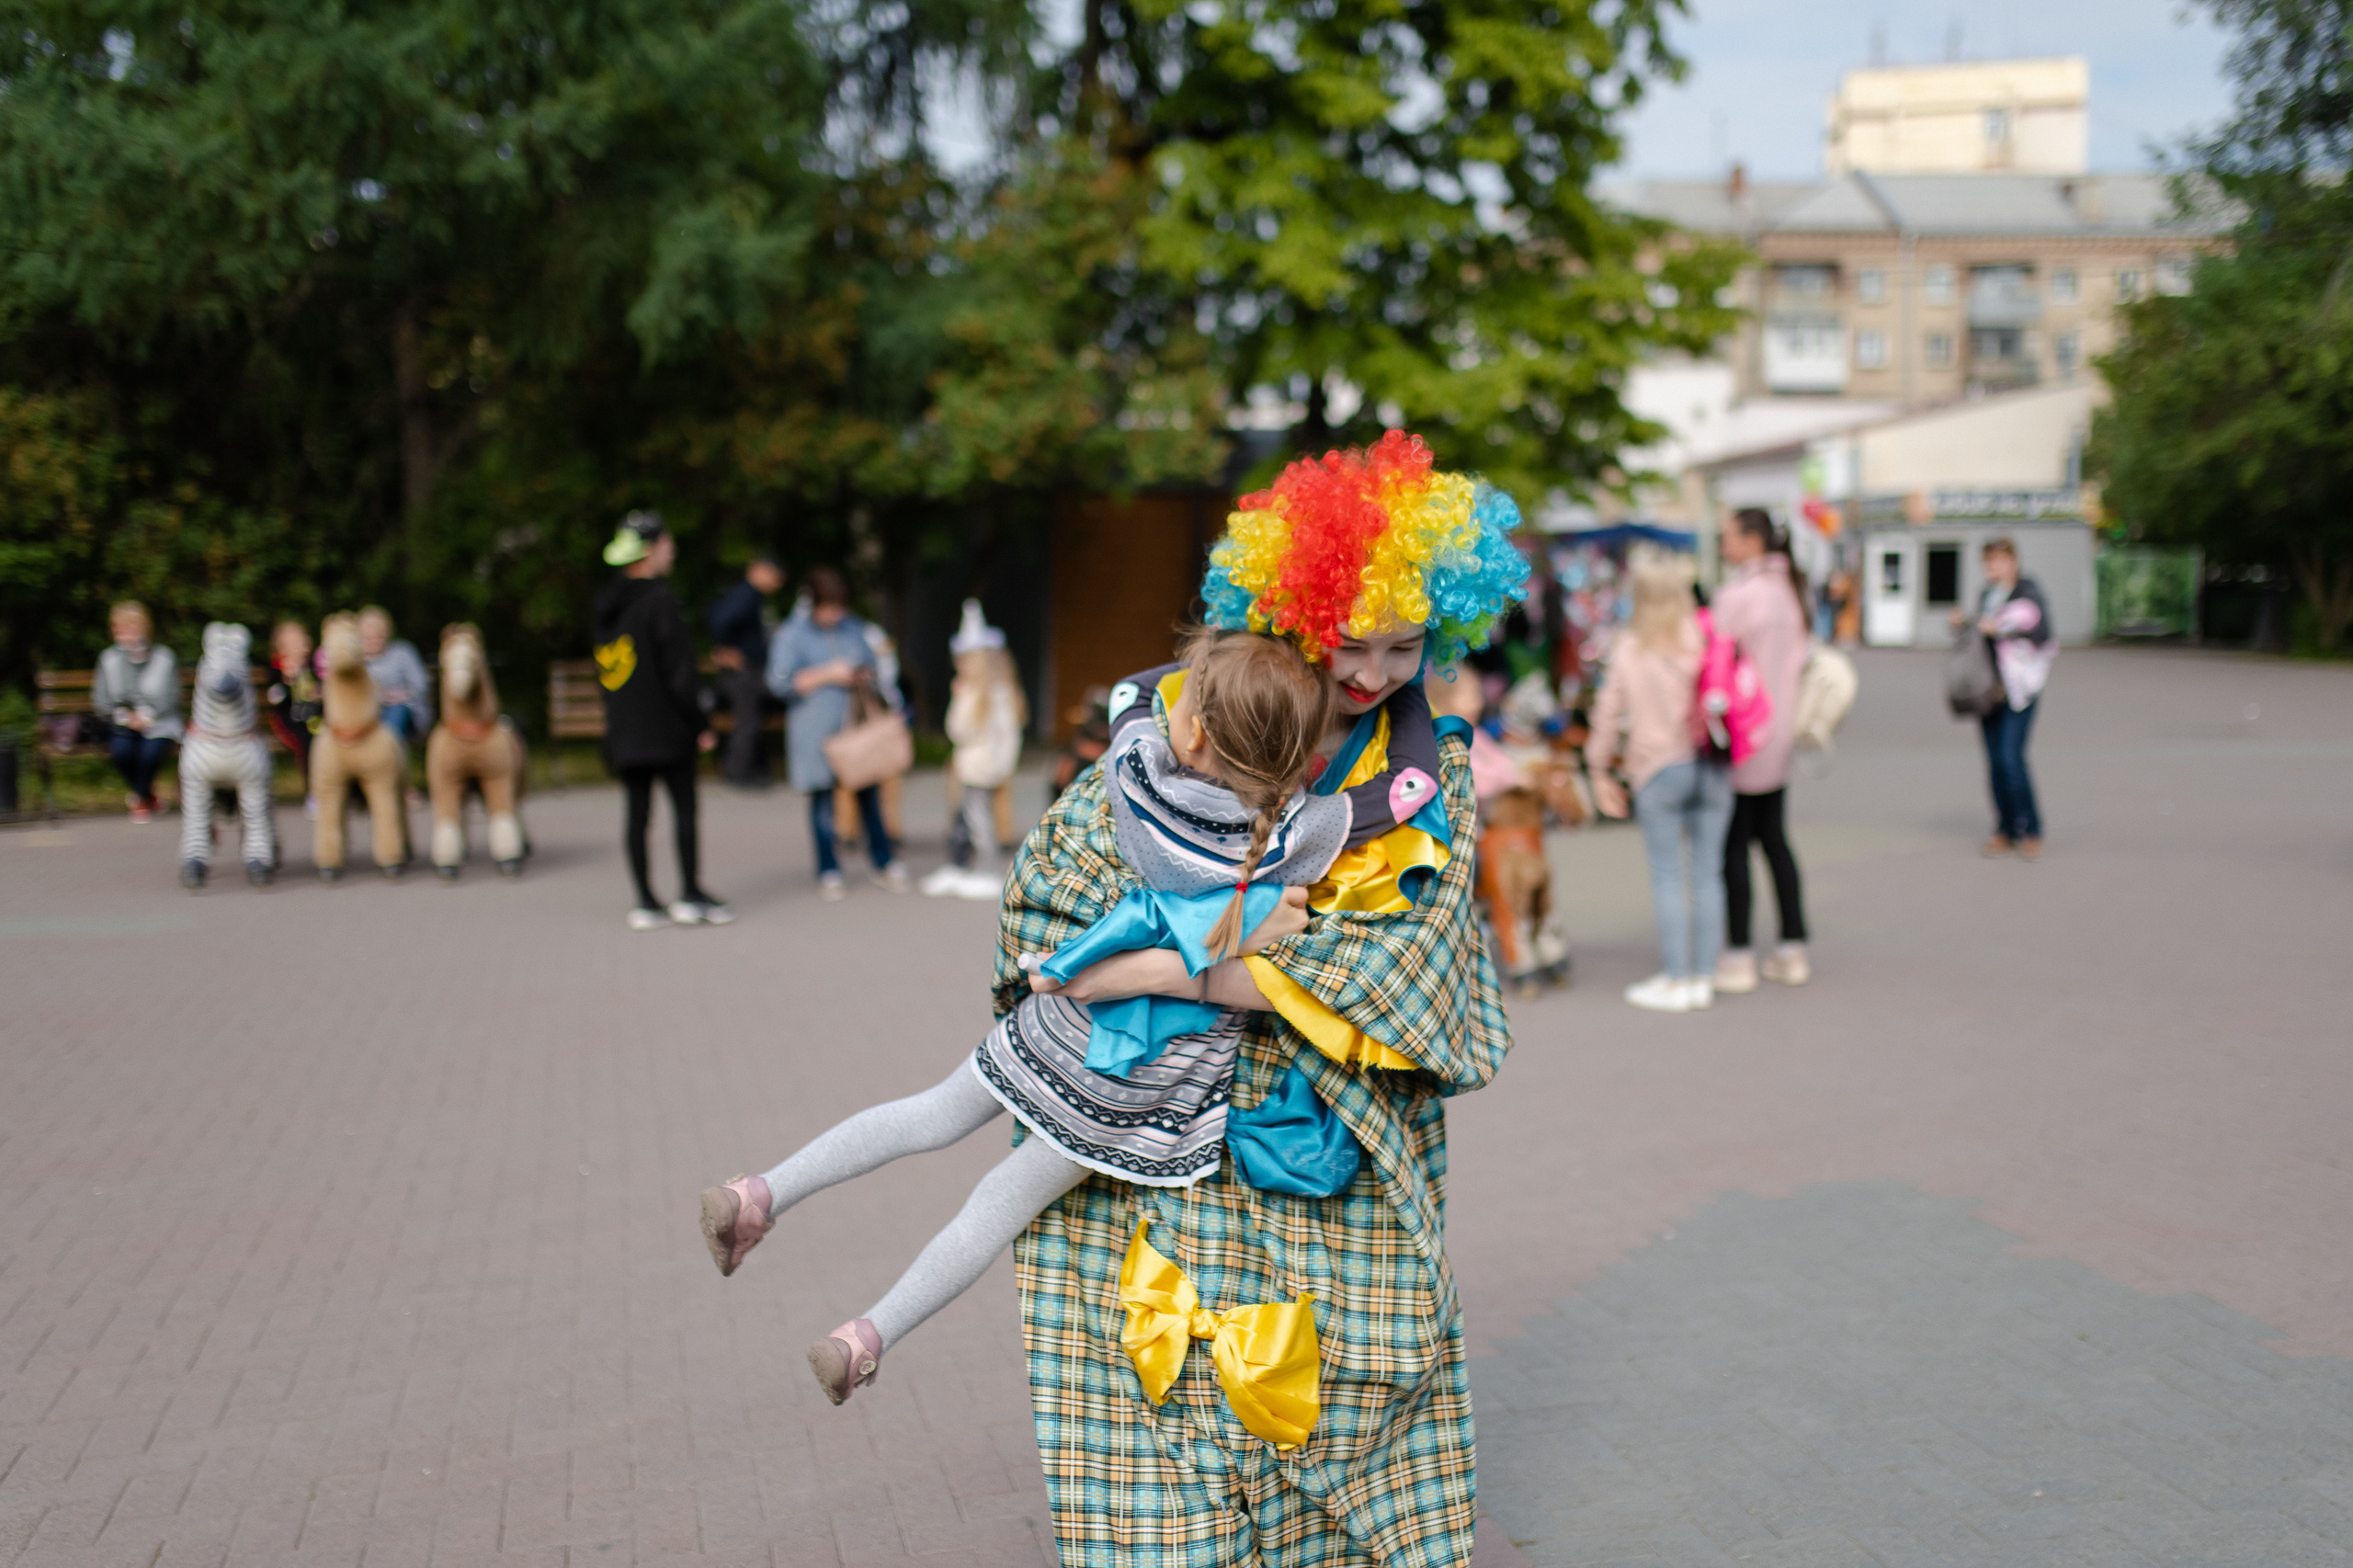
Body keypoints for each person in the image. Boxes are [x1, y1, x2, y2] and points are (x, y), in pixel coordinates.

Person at [999, 431, 1524, 1563]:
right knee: (1168, 1382)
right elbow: (1047, 898)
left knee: (1341, 1387)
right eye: (1351, 644)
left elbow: (1406, 970)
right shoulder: (1174, 718)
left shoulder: (1431, 777)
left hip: (1322, 1138)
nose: (1378, 672)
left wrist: (1139, 966)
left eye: (1406, 644)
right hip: (1157, 1122)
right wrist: (1184, 969)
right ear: (1291, 611)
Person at [703, 631, 1394, 1403]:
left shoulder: (1134, 779)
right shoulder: (1302, 836)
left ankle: (761, 1193)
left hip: (1059, 1026)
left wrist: (1211, 662)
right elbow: (1396, 797)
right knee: (996, 1209)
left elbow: (1135, 695)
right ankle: (865, 1336)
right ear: (1299, 758)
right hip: (1136, 1085)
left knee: (926, 1114)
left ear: (1192, 729)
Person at [1586, 546, 1732, 1012]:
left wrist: (1598, 768)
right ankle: (1705, 977)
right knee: (1709, 874)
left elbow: (1608, 714)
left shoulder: (1631, 647)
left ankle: (1676, 978)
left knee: (1668, 876)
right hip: (1712, 765)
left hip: (1657, 770)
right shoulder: (1706, 636)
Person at [592, 511, 732, 929]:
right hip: (668, 727)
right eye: (668, 545)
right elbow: (679, 673)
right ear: (650, 551)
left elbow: (608, 670)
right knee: (684, 809)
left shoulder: (606, 605)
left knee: (637, 814)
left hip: (626, 727)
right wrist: (701, 723)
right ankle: (690, 893)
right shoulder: (660, 602)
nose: (671, 553)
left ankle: (646, 901)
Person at [1712, 508, 1813, 993]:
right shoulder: (1791, 590)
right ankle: (1793, 946)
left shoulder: (1738, 596)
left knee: (1733, 845)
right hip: (1782, 730)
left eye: (1727, 535)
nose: (1721, 543)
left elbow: (1713, 661)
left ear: (1751, 540)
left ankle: (1738, 953)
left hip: (1742, 734)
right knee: (1774, 840)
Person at [765, 567, 908, 899]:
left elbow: (875, 665)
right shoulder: (792, 634)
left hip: (854, 731)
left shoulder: (852, 628)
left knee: (869, 795)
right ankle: (828, 868)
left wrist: (860, 674)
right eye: (828, 607)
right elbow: (780, 683)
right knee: (822, 803)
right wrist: (830, 673)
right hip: (814, 732)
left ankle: (883, 861)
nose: (835, 613)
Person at [1958, 537, 2054, 859]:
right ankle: (2004, 828)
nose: (1992, 567)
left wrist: (2000, 629)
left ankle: (2032, 829)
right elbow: (1979, 637)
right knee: (1995, 763)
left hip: (2020, 689)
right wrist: (1965, 625)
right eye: (1988, 562)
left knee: (2012, 759)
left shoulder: (2028, 592)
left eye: (1998, 561)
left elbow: (2041, 633)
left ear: (2013, 561)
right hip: (1989, 689)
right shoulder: (1986, 596)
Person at [923, 600, 1027, 900]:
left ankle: (986, 869)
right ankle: (959, 865)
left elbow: (957, 730)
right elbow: (1010, 736)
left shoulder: (972, 693)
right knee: (965, 819)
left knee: (976, 820)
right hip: (989, 765)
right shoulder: (1005, 692)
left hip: (975, 768)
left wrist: (957, 698)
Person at [176, 622, 277, 889]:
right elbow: (222, 684)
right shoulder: (219, 668)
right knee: (245, 808)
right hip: (225, 747)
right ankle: (250, 858)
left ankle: (254, 857)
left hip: (223, 748)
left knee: (247, 807)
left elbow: (224, 685)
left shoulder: (222, 668)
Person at [92, 601, 182, 823]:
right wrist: (126, 717)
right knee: (122, 751)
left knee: (150, 753)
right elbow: (102, 701)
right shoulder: (108, 659)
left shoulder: (164, 657)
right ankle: (147, 795)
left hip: (160, 722)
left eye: (133, 628)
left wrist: (146, 717)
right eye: (121, 629)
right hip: (122, 723)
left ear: (145, 629)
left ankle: (139, 799)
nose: (128, 634)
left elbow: (171, 698)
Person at [708, 558, 783, 788]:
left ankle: (757, 769)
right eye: (774, 575)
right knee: (748, 720)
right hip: (742, 673)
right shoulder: (746, 595)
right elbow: (719, 619)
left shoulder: (751, 596)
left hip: (750, 671)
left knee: (754, 716)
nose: (777, 582)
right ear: (758, 570)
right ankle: (737, 772)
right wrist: (725, 649)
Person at [262, 620, 324, 814]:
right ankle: (313, 793)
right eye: (295, 641)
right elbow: (275, 698)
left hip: (315, 720)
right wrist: (289, 681)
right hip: (288, 722)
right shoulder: (276, 667)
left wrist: (319, 693)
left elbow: (321, 693)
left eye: (302, 639)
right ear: (282, 646)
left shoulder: (313, 666)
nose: (301, 644)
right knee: (307, 742)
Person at [356, 607, 431, 747]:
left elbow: (421, 685)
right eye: (368, 638)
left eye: (378, 636)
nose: (374, 641)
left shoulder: (403, 653)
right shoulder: (356, 662)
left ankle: (389, 755)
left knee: (397, 709)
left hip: (405, 712)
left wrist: (398, 695)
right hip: (368, 712)